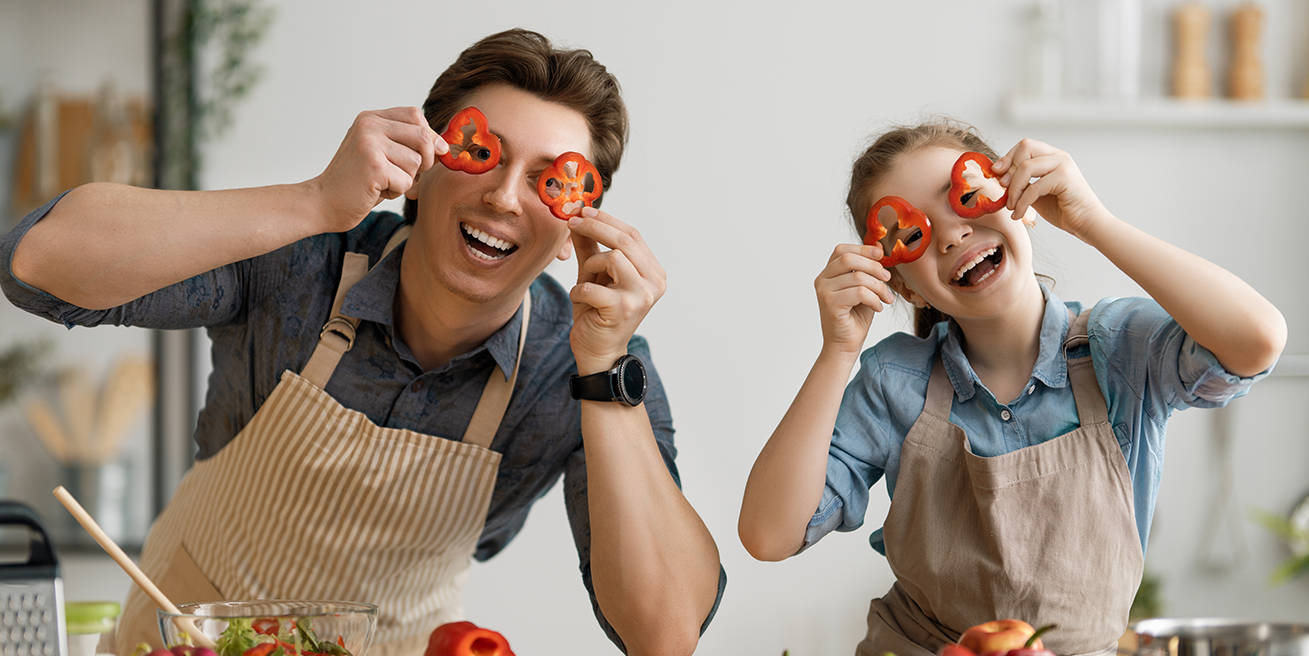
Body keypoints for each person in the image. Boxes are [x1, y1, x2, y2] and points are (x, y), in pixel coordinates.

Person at [1, 28, 723, 656]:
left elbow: (663, 636)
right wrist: (314, 199)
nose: (504, 198)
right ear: (420, 171)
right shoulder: (300, 263)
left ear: (575, 228)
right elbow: (35, 264)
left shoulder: (589, 368)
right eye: (480, 152)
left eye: (549, 182)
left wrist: (601, 369)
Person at [737, 119, 1285, 656]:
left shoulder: (1116, 351)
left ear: (1021, 202)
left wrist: (1092, 221)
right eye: (914, 235)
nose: (953, 234)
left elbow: (1257, 340)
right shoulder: (893, 381)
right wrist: (837, 350)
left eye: (966, 196)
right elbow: (768, 535)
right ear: (906, 288)